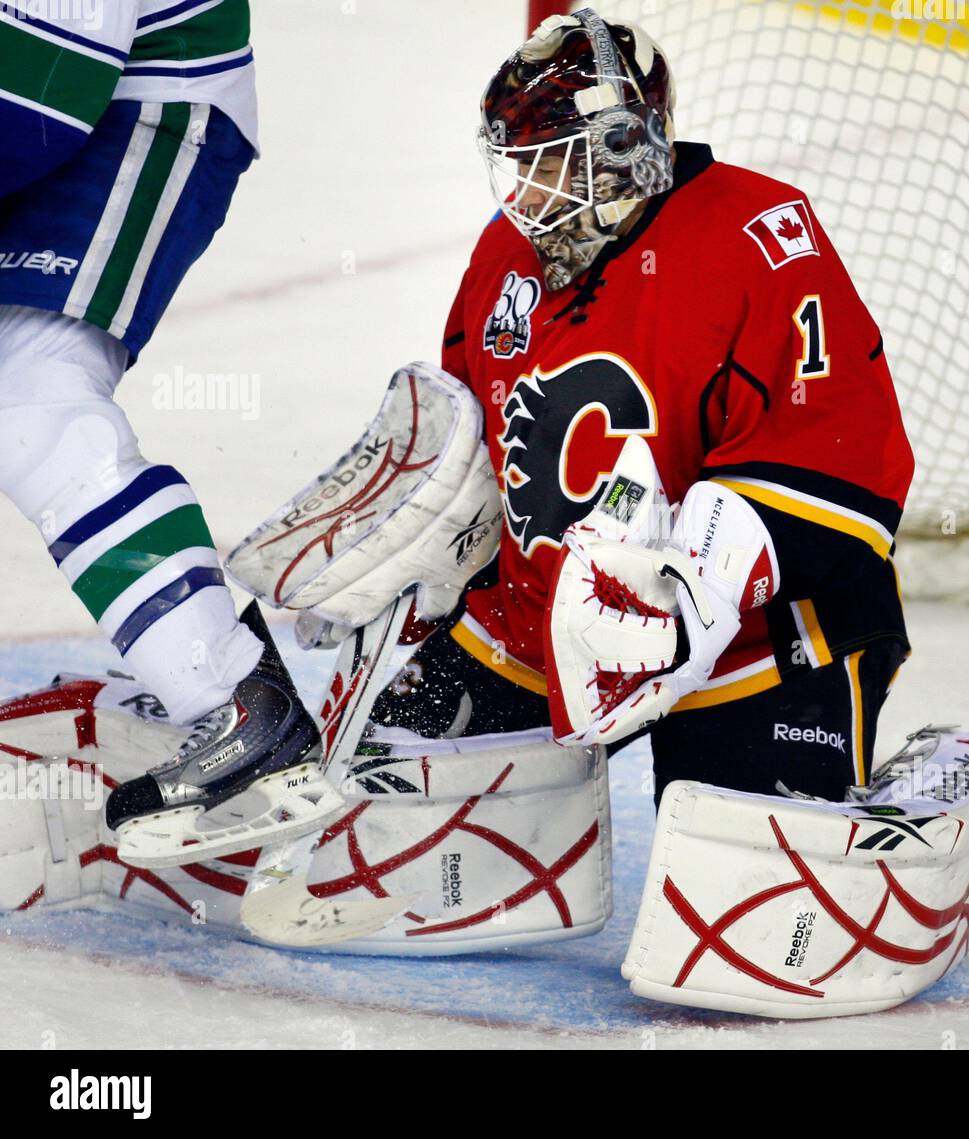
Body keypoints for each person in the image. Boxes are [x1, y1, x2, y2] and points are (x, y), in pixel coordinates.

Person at [369, 8, 914, 801]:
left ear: (626, 145)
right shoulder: (504, 253)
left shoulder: (758, 237)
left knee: (742, 868)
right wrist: (423, 540)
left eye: (552, 163)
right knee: (388, 793)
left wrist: (694, 599)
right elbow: (477, 436)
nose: (529, 193)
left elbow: (840, 454)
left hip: (758, 648)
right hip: (540, 624)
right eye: (520, 166)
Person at [0, 3, 326, 857]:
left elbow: (42, 98)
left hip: (139, 97)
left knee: (27, 392)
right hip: (41, 99)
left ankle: (233, 699)